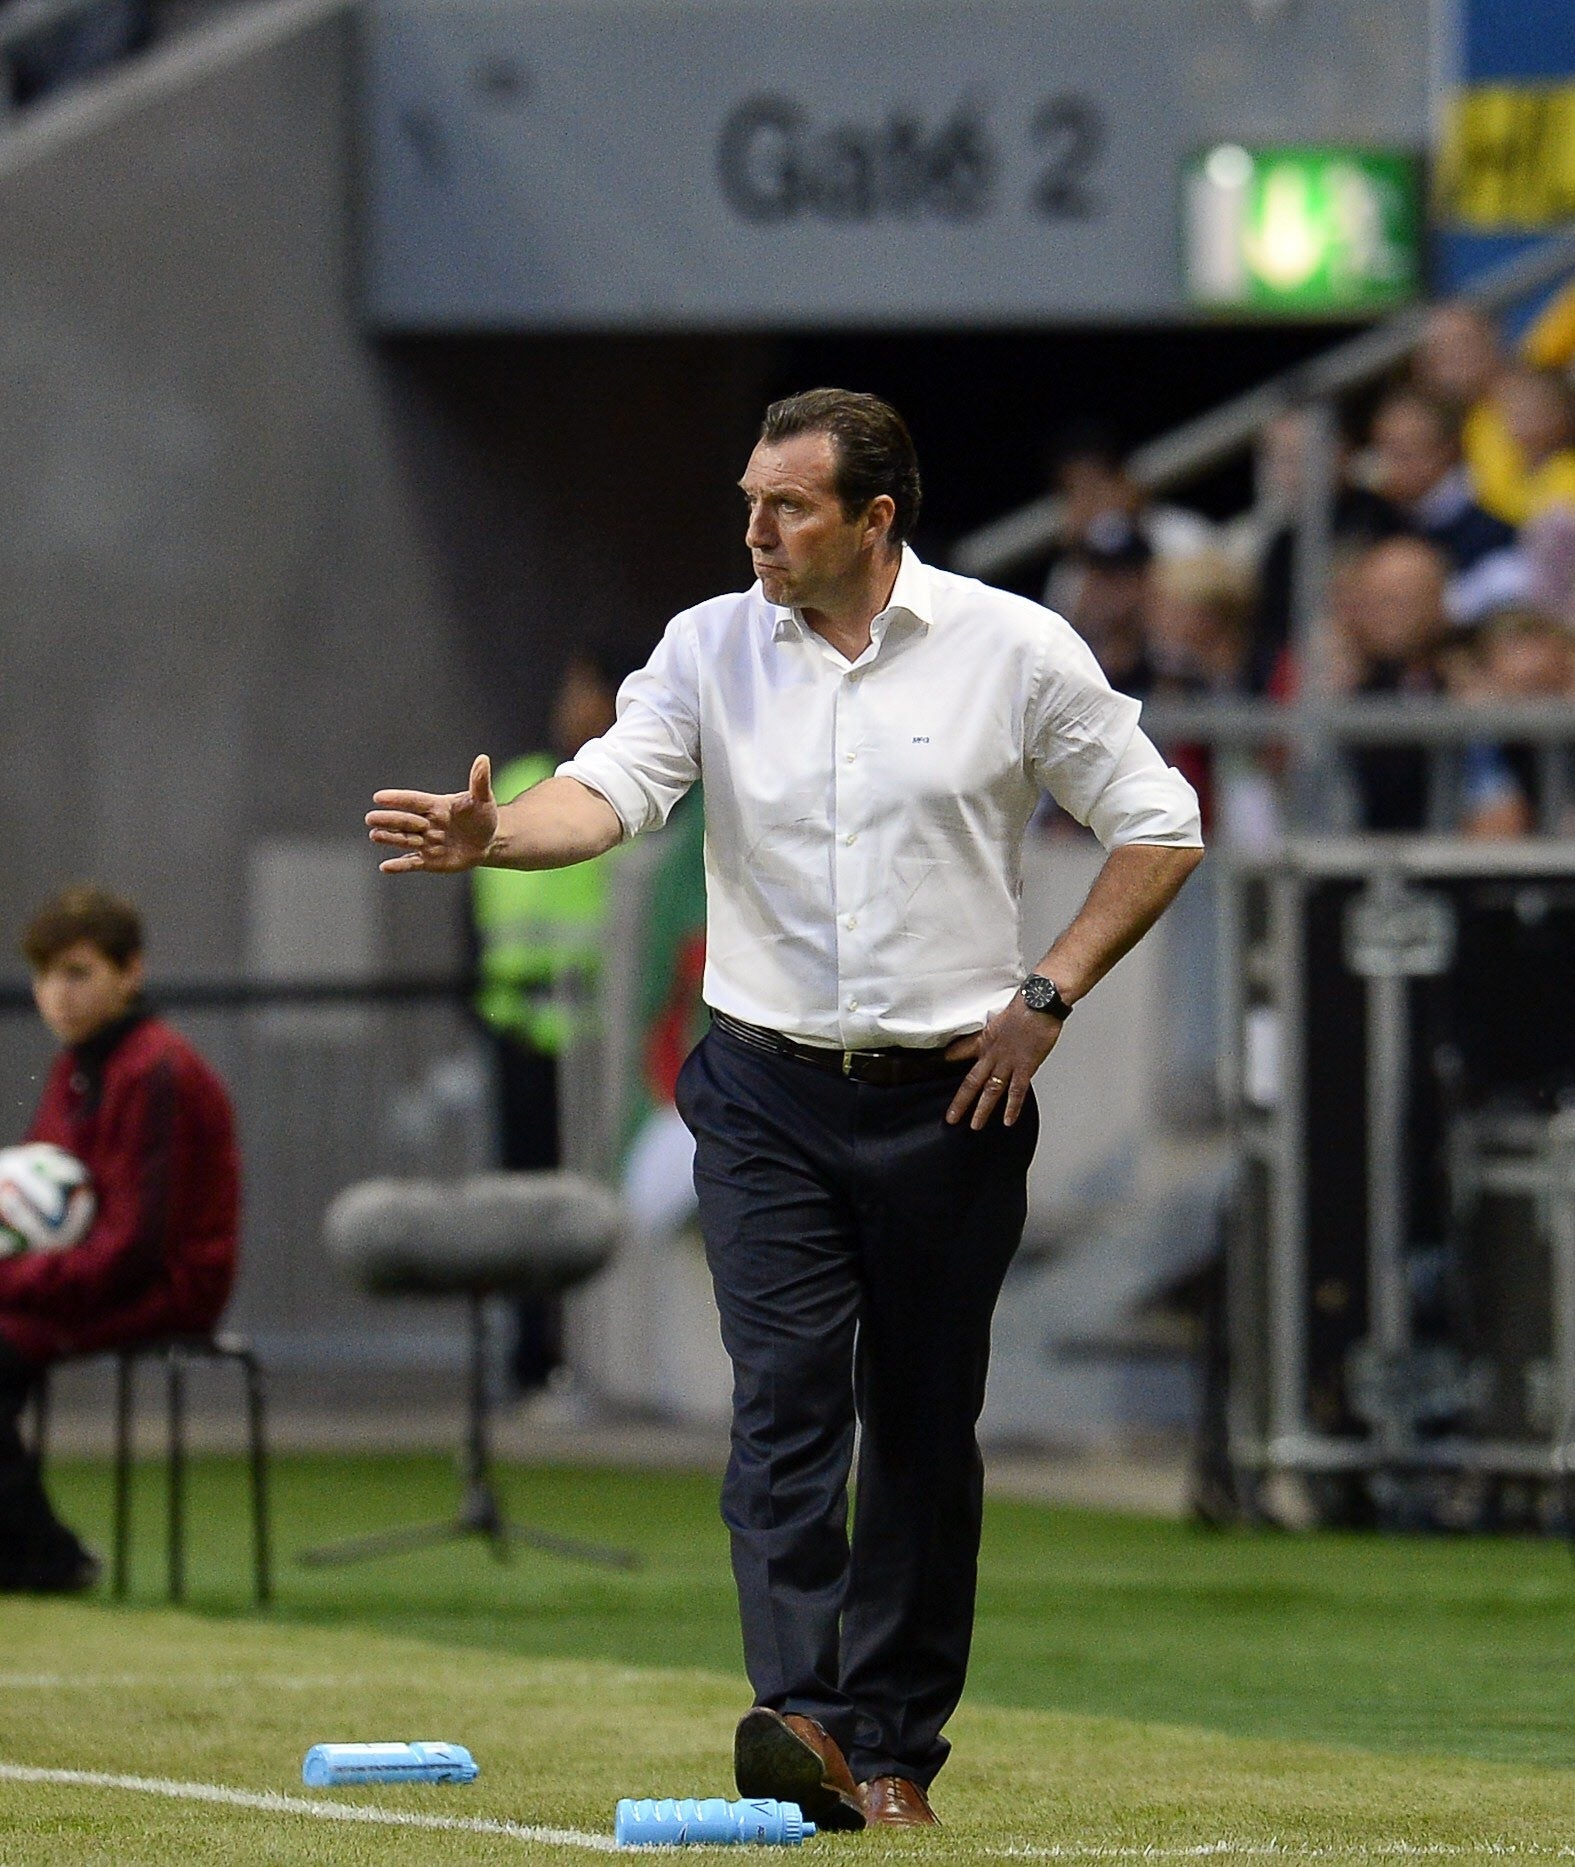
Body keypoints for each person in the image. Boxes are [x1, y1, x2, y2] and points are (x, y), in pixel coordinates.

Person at [367, 389, 1203, 1828]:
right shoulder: (706, 644)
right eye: (748, 501)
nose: (753, 529)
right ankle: (802, 1717)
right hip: (761, 1087)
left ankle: (895, 1751)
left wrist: (1049, 991)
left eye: (787, 506)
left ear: (875, 518)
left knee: (922, 1427)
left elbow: (1162, 822)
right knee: (785, 1398)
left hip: (956, 1092)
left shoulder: (1014, 648)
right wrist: (497, 833)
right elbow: (610, 791)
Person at [0, 887, 240, 1592]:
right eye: (45, 975)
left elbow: (135, 1247)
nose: (58, 994)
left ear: (130, 971)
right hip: (92, 1278)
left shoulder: (156, 1068)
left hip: (165, 1289)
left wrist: (10, 1281)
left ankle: (45, 1559)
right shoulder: (76, 1065)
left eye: (78, 973)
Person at [469, 649, 624, 1392]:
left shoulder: (634, 791)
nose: (572, 704)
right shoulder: (523, 782)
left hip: (597, 1045)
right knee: (523, 1200)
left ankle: (589, 1359)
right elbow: (475, 915)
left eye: (584, 689)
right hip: (522, 1034)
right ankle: (533, 1357)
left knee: (588, 1200)